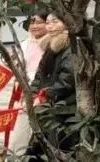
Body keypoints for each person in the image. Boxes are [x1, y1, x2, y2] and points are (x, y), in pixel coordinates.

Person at [25, 14, 77, 160]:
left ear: (67, 23)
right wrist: (33, 93)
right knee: (46, 142)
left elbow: (68, 79)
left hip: (66, 106)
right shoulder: (50, 45)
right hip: (49, 104)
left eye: (55, 21)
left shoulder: (71, 46)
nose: (51, 26)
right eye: (48, 23)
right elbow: (40, 74)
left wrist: (46, 94)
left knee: (61, 145)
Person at [12, 13, 47, 150]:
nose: (34, 26)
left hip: (43, 94)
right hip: (25, 93)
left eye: (39, 22)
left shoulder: (53, 45)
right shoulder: (24, 44)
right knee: (20, 131)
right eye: (32, 23)